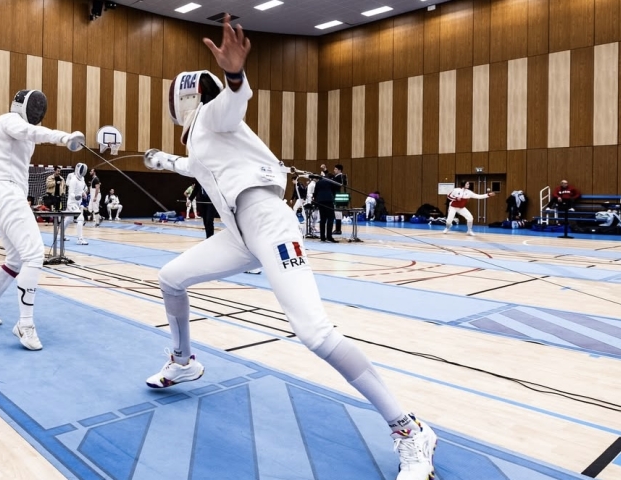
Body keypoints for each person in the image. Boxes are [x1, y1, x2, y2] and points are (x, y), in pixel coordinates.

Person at [141, 16, 436, 480]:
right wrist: (159, 160)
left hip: (269, 225)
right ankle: (183, 362)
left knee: (314, 333)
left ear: (185, 99)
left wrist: (236, 75)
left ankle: (409, 429)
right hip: (240, 233)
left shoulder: (213, 118)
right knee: (170, 277)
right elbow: (193, 165)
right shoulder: (205, 142)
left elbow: (233, 102)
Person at [0, 89, 84, 351]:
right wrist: (64, 137)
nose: (36, 113)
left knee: (14, 260)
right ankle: (25, 324)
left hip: (2, 196)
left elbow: (32, 133)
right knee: (34, 256)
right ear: (22, 105)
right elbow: (32, 132)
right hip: (6, 193)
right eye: (33, 107)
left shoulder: (23, 129)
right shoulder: (8, 120)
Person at [63, 163, 90, 245]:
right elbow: (71, 193)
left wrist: (83, 193)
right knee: (81, 218)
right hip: (72, 203)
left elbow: (81, 188)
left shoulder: (82, 178)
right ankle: (80, 239)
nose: (83, 172)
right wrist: (76, 197)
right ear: (78, 170)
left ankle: (61, 235)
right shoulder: (73, 180)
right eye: (82, 170)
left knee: (69, 219)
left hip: (78, 203)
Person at [312, 172, 338, 243]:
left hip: (320, 201)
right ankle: (329, 236)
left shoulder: (319, 182)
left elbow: (315, 193)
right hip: (328, 200)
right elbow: (334, 190)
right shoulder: (330, 181)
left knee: (323, 219)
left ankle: (322, 237)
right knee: (330, 218)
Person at [332, 164, 347, 234]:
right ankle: (337, 229)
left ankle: (338, 229)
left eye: (335, 169)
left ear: (339, 170)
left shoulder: (340, 177)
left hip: (337, 196)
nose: (334, 170)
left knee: (338, 213)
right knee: (337, 213)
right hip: (339, 195)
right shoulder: (339, 177)